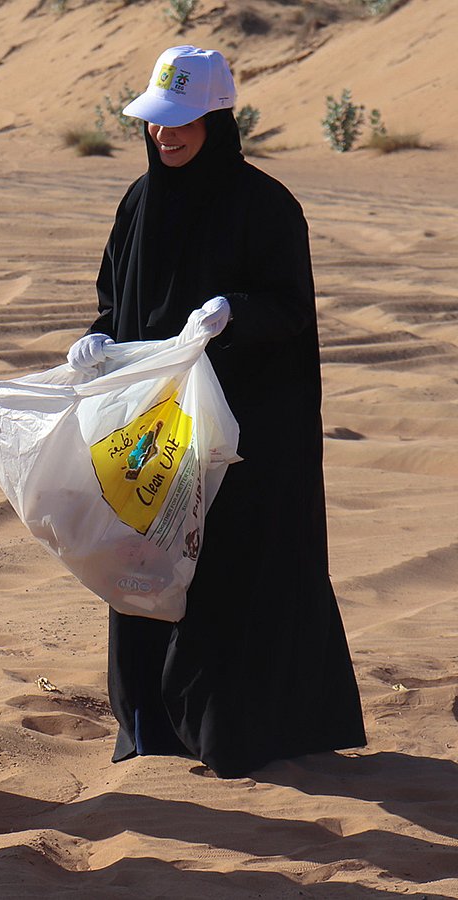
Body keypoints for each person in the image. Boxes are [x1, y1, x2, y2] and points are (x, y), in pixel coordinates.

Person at [67, 45, 366, 778]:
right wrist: (99, 338)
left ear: (218, 120)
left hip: (250, 427)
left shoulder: (266, 206)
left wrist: (236, 311)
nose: (167, 137)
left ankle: (242, 730)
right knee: (148, 559)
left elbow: (291, 308)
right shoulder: (139, 201)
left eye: (184, 124)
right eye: (158, 124)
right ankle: (152, 723)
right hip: (155, 425)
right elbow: (116, 293)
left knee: (235, 567)